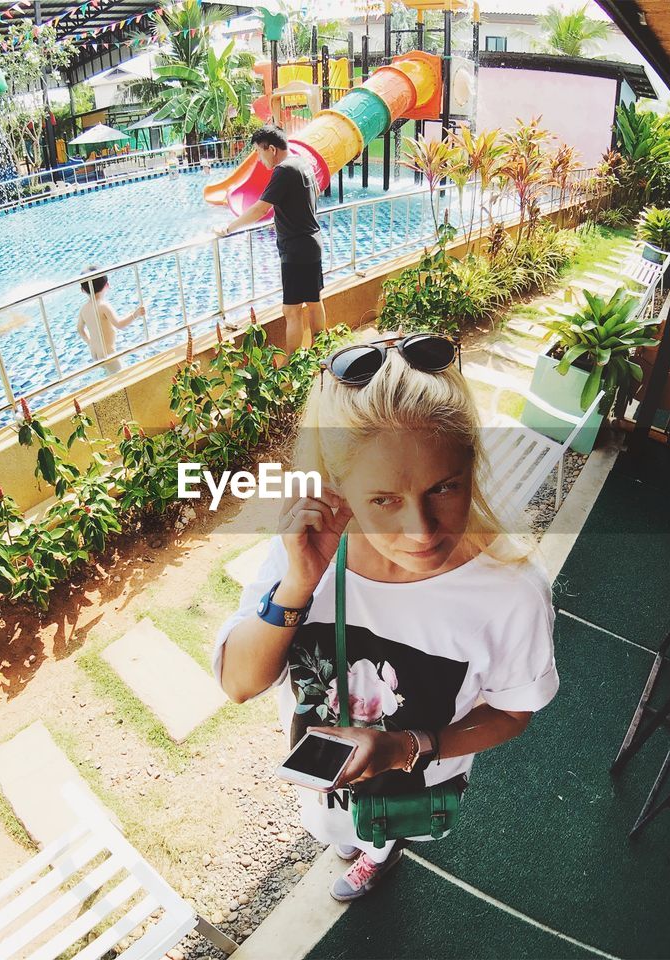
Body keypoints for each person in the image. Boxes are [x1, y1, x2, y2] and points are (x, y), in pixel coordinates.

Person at [214, 334, 558, 902]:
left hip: (420, 775)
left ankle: (380, 853)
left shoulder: (513, 592)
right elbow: (238, 683)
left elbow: (513, 712)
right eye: (383, 500)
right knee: (335, 827)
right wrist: (300, 580)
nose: (423, 532)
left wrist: (406, 748)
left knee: (382, 832)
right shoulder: (306, 553)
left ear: (472, 462)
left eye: (445, 487)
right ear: (339, 488)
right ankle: (348, 843)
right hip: (323, 775)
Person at [215, 124, 326, 357]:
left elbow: (260, 208)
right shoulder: (301, 163)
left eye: (259, 151)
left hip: (296, 250)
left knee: (291, 310)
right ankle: (321, 349)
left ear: (272, 149)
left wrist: (228, 227)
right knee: (314, 301)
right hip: (311, 243)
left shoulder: (283, 170)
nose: (258, 158)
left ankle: (294, 363)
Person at [76, 267, 145, 374]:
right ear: (107, 285)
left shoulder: (84, 309)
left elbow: (80, 329)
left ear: (82, 290)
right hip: (108, 353)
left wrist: (89, 342)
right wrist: (134, 315)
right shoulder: (103, 306)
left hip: (95, 353)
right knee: (122, 376)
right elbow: (119, 324)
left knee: (109, 375)